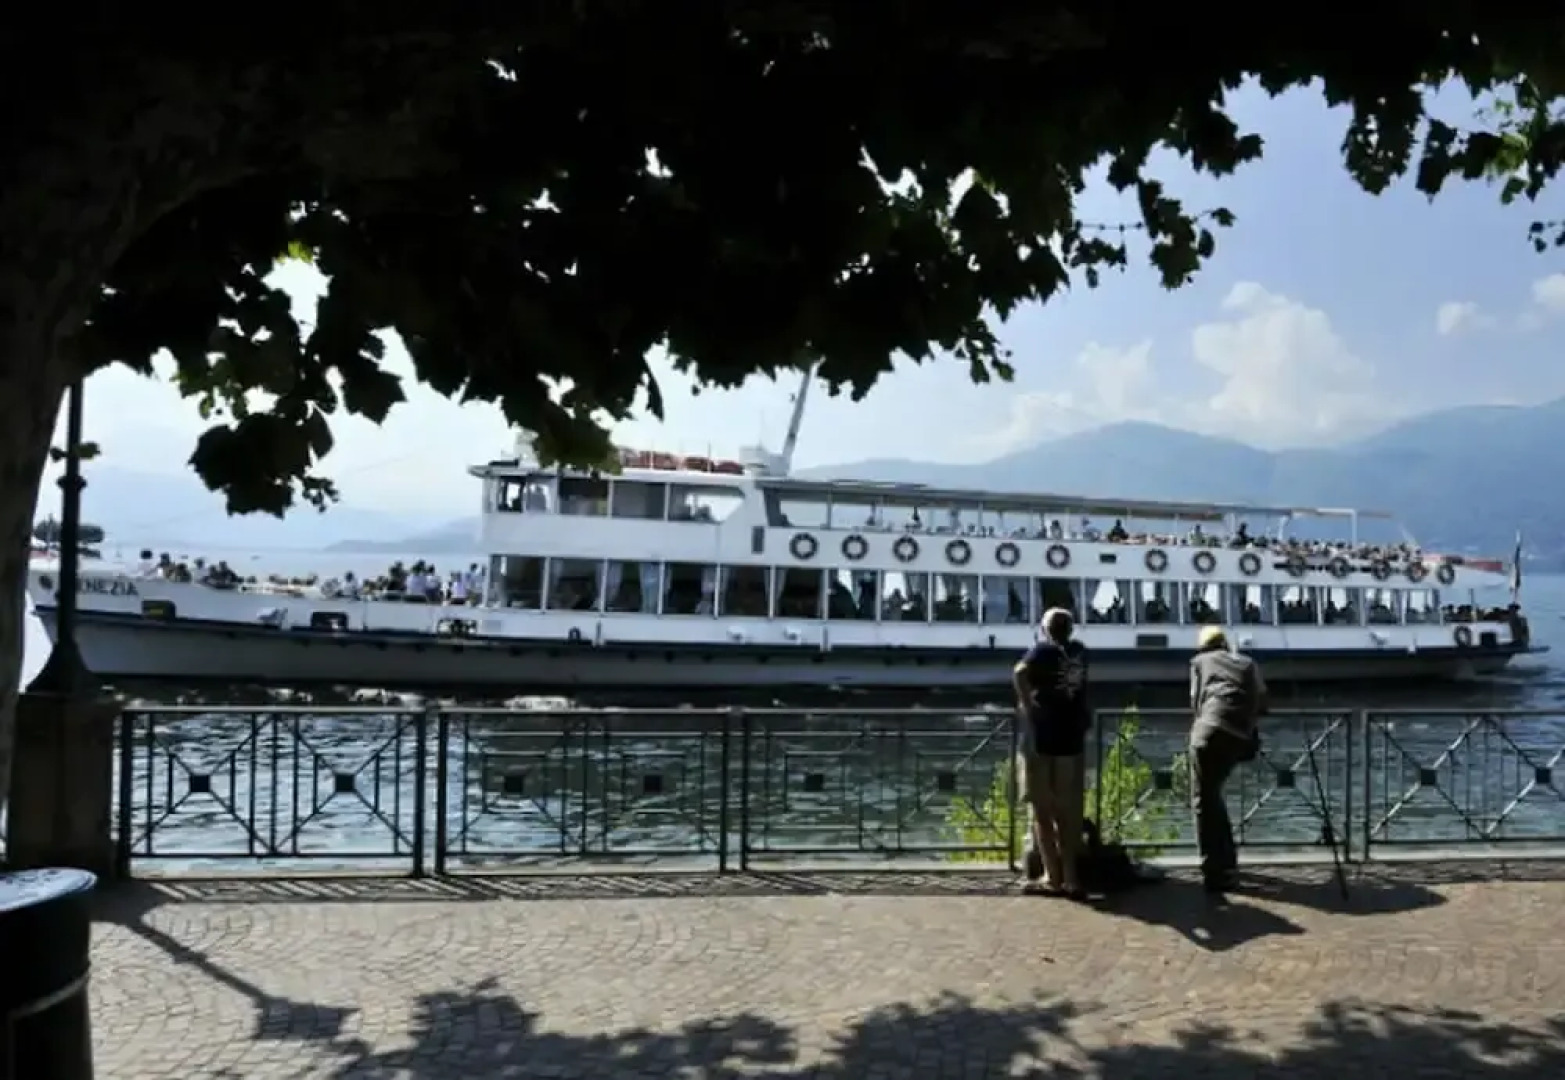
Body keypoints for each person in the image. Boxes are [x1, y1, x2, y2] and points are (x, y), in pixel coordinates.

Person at [1012, 607, 1091, 898]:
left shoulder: (1041, 652)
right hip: (1071, 739)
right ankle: (1072, 879)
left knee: (1041, 811)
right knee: (1067, 812)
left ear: (1046, 630)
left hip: (1042, 738)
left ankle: (1052, 877)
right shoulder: (1081, 652)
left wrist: (1027, 705)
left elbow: (1019, 672)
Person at [1188, 625, 1269, 893]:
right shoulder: (1248, 662)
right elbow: (1263, 701)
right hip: (1239, 737)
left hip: (1209, 732)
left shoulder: (1199, 662)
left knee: (1202, 800)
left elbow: (1196, 701)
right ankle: (1228, 863)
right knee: (1213, 796)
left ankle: (1212, 870)